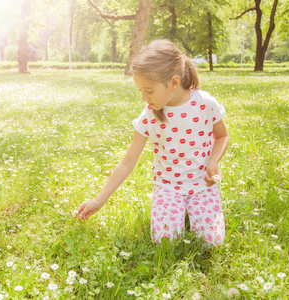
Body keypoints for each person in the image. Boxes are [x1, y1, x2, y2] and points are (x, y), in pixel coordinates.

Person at [74, 40, 229, 246]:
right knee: (165, 242)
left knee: (211, 243)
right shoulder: (150, 115)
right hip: (168, 186)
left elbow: (222, 136)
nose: (143, 98)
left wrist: (213, 161)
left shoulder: (204, 103)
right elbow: (127, 163)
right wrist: (99, 200)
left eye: (149, 90)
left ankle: (195, 214)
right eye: (140, 90)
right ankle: (178, 213)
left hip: (202, 184)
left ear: (174, 82)